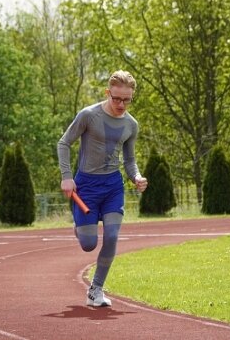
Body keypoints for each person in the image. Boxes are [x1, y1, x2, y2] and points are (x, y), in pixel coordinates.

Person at [57, 70, 148, 307]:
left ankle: (96, 289)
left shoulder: (131, 125)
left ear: (131, 96)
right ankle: (80, 227)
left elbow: (129, 160)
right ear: (108, 92)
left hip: (112, 186)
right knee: (88, 244)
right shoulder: (89, 115)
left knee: (112, 235)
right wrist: (67, 177)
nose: (121, 104)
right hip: (86, 185)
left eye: (126, 99)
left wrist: (137, 176)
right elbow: (64, 143)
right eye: (116, 98)